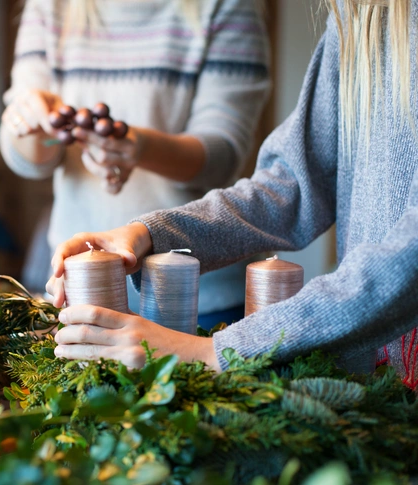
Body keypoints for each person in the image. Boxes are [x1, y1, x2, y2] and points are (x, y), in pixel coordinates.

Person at [46, 0, 418, 390]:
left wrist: (215, 352)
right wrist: (151, 234)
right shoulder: (358, 14)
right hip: (371, 388)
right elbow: (292, 186)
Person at [0, 0, 271, 325]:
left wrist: (138, 148)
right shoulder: (50, 7)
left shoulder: (225, 6)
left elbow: (223, 155)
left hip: (200, 296)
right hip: (80, 289)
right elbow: (33, 161)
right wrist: (36, 123)